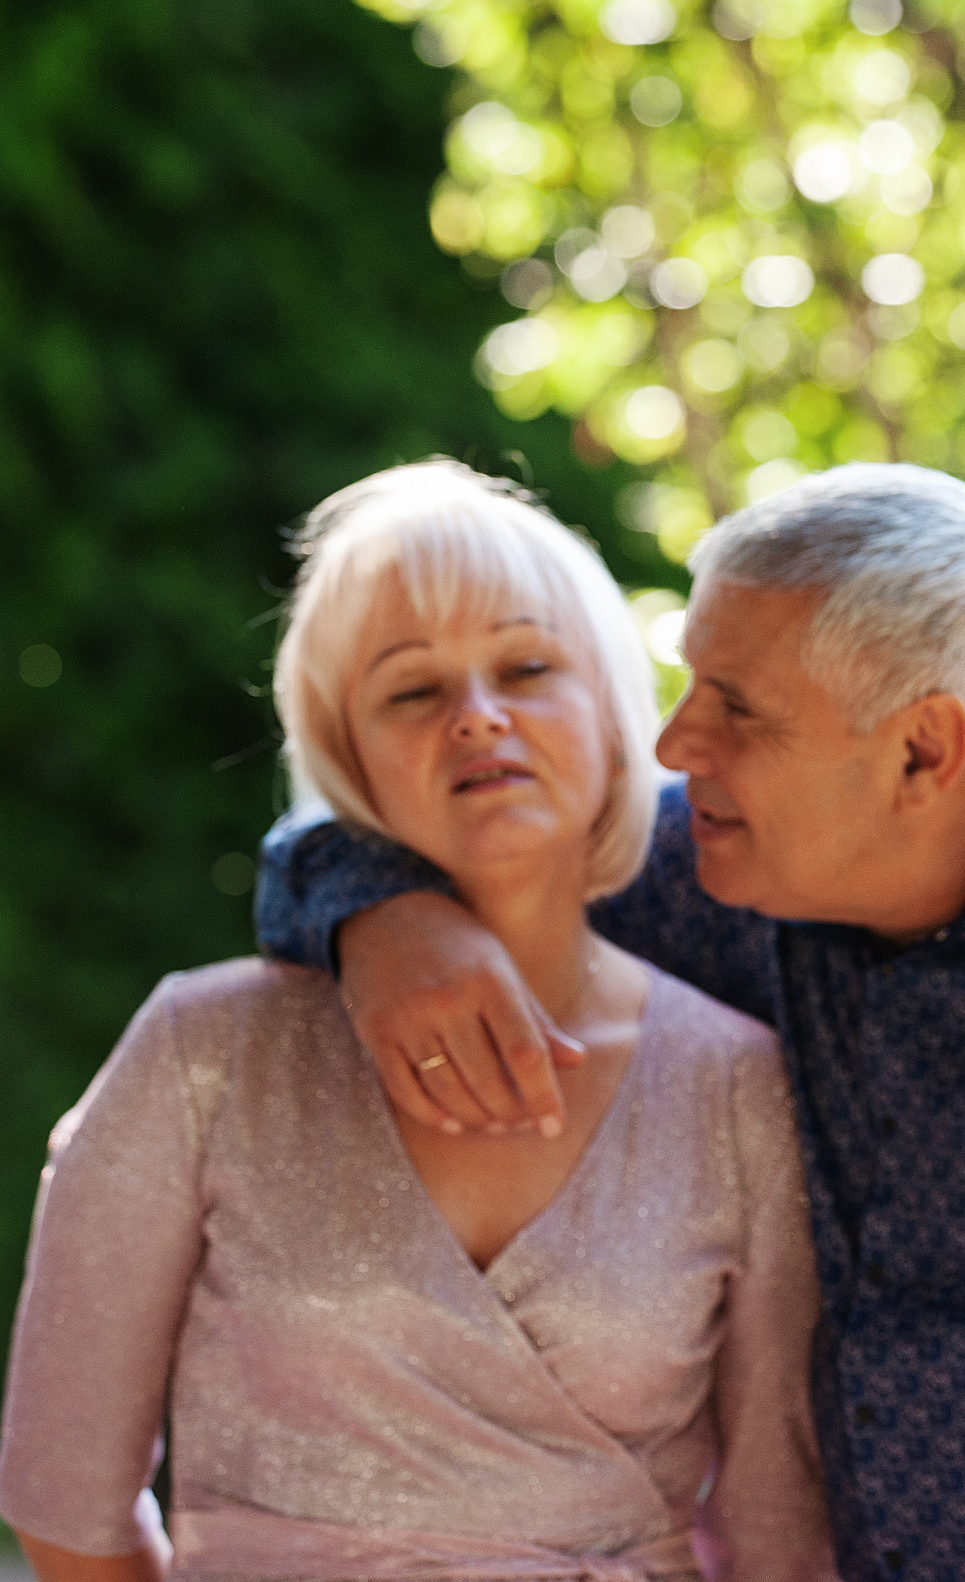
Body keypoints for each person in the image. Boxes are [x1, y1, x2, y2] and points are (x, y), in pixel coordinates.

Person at [254, 463, 965, 1580]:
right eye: (689, 687)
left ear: (921, 749)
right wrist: (386, 918)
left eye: (735, 709)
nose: (673, 748)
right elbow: (320, 851)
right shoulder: (710, 871)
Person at [0, 462, 835, 1580]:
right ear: (349, 755)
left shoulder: (738, 1083)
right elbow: (65, 1500)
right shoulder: (200, 1054)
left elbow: (776, 1534)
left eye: (527, 667)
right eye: (411, 690)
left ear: (616, 710)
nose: (478, 716)